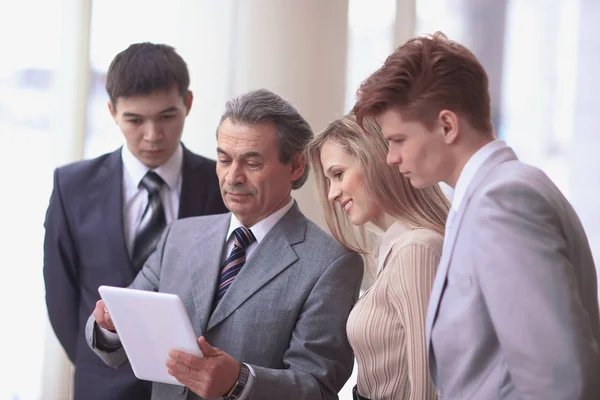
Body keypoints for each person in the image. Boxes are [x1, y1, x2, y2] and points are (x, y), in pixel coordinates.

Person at [353, 31, 600, 400]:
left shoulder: (501, 201)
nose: (391, 157)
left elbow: (556, 382)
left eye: (398, 139)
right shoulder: (493, 194)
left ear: (448, 125)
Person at [85, 88, 364, 400]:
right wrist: (110, 326)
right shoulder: (180, 235)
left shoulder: (331, 263)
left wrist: (239, 381)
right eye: (224, 159)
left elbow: (318, 388)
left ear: (296, 166)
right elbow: (116, 347)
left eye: (252, 162)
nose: (232, 177)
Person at [43, 42, 228, 400]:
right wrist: (98, 356)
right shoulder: (72, 186)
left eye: (166, 116)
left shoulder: (220, 185)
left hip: (192, 387)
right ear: (112, 111)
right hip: (101, 384)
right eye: (134, 119)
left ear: (187, 104)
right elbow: (61, 299)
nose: (152, 135)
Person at [307, 114, 450, 400]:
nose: (333, 193)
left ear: (375, 161)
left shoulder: (416, 250)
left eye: (338, 174)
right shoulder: (394, 250)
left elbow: (430, 387)